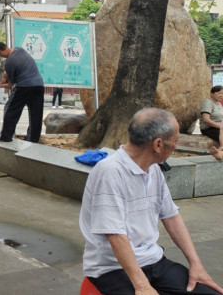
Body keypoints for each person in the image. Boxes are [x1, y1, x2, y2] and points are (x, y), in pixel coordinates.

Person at [80, 108, 223, 295]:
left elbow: (171, 216)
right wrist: (142, 286)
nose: (175, 146)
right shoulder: (110, 172)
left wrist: (196, 264)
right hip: (111, 268)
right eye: (175, 141)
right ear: (158, 144)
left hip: (152, 260)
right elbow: (115, 235)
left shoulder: (153, 169)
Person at [0, 42, 44, 143]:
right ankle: (33, 140)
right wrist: (6, 76)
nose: (1, 57)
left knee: (11, 110)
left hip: (24, 86)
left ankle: (6, 137)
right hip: (38, 85)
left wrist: (6, 86)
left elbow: (11, 83)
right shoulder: (20, 50)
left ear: (0, 52)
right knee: (36, 114)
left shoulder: (9, 62)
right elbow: (16, 68)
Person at [199, 85, 223, 160]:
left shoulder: (218, 103)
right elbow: (206, 119)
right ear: (212, 94)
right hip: (209, 128)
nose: (221, 95)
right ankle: (220, 152)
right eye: (219, 93)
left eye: (222, 93)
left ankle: (220, 153)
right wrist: (220, 126)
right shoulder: (208, 103)